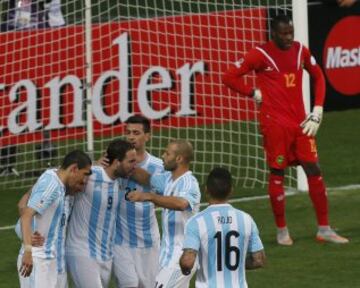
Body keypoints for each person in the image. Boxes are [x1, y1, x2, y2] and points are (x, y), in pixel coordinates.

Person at [223, 14, 349, 245]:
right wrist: (252, 92)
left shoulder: (301, 50)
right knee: (278, 172)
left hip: (301, 123)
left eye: (290, 32)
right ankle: (282, 231)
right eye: (283, 33)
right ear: (273, 33)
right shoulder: (259, 54)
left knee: (313, 168)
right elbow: (229, 76)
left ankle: (324, 229)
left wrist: (318, 109)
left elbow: (319, 76)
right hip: (275, 124)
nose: (289, 37)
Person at [127, 139, 201, 288]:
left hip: (181, 256)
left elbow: (182, 203)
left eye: (167, 153)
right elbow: (147, 178)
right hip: (166, 256)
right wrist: (124, 164)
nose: (162, 156)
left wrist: (149, 196)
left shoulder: (188, 182)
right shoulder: (169, 180)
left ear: (179, 158)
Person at [65, 139, 137, 288]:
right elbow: (61, 175)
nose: (134, 166)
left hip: (106, 256)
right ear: (117, 162)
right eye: (131, 162)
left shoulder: (117, 182)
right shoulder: (91, 175)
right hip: (82, 252)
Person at [17, 150, 92, 288]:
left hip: (52, 260)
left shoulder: (60, 185)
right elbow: (26, 215)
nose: (85, 181)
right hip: (37, 260)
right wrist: (28, 250)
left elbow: (24, 202)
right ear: (74, 169)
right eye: (85, 174)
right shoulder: (52, 185)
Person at [180, 167, 265, 287]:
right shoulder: (246, 219)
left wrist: (184, 269)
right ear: (231, 191)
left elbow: (187, 261)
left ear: (206, 190)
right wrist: (237, 265)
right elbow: (259, 260)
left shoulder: (196, 222)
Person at [112, 115, 163, 288]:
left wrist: (130, 167)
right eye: (128, 133)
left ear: (147, 136)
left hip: (148, 240)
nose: (131, 137)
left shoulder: (158, 165)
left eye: (136, 132)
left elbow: (163, 192)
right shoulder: (115, 162)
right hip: (120, 241)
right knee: (129, 283)